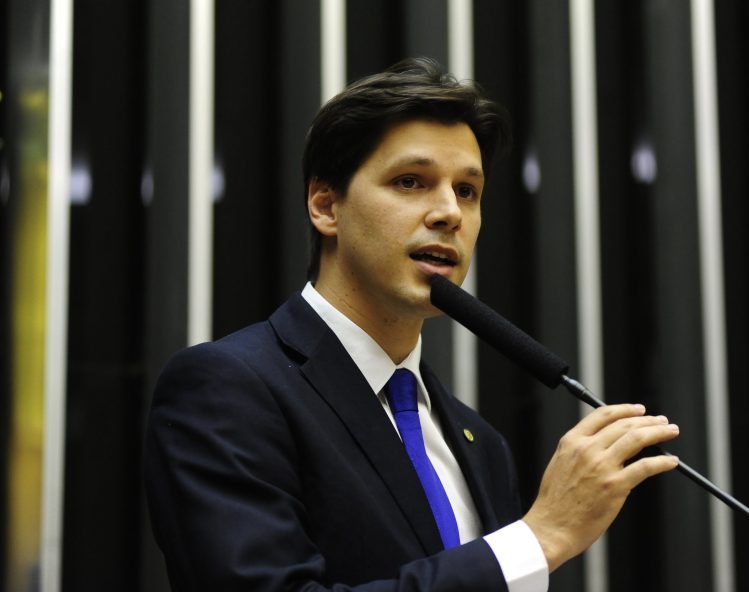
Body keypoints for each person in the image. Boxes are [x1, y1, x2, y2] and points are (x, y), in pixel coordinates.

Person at [144, 57, 680, 591]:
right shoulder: (229, 389)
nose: (449, 212)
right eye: (410, 181)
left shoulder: (481, 444)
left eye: (467, 191)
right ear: (325, 205)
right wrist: (538, 539)